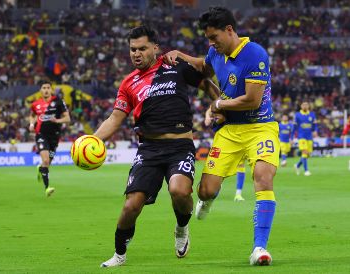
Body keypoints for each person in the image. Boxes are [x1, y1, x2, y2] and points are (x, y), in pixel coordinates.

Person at [164, 6, 279, 266]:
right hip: (229, 133)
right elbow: (203, 67)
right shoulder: (216, 52)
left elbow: (252, 100)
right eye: (208, 38)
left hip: (260, 127)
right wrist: (180, 55)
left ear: (229, 30)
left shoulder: (255, 54)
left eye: (214, 37)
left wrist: (217, 106)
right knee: (205, 191)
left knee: (263, 177)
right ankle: (209, 200)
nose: (211, 42)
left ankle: (259, 248)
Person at [94, 25, 216, 268]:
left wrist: (220, 104)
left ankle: (182, 228)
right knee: (131, 205)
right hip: (149, 150)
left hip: (180, 146)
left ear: (155, 48)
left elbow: (207, 83)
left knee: (179, 191)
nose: (136, 53)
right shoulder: (128, 83)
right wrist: (92, 140)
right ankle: (119, 253)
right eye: (132, 49)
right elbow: (115, 118)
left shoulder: (175, 65)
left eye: (142, 48)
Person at [29, 81, 70, 196]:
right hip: (41, 134)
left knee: (48, 162)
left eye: (48, 88)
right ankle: (47, 188)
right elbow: (32, 115)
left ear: (51, 90)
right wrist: (32, 124)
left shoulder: (58, 102)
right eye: (44, 88)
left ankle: (41, 168)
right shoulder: (35, 104)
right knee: (46, 160)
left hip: (55, 136)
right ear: (40, 90)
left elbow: (67, 119)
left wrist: (57, 121)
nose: (46, 90)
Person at [292, 101, 318, 176]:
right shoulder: (297, 115)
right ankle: (306, 171)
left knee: (307, 154)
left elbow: (315, 125)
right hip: (301, 137)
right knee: (305, 152)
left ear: (308, 106)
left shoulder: (312, 115)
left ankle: (297, 165)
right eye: (303, 105)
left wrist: (315, 131)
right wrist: (292, 137)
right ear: (301, 106)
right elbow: (294, 127)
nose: (305, 106)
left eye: (306, 105)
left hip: (309, 137)